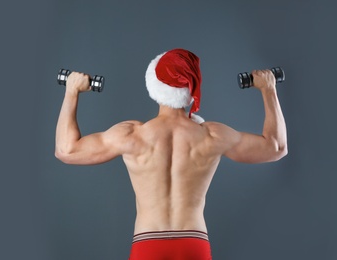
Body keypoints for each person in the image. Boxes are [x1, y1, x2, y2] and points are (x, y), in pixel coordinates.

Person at [55, 48, 288, 260]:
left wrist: (72, 91)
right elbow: (276, 147)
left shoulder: (132, 135)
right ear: (192, 89)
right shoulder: (212, 136)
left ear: (154, 84)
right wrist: (269, 89)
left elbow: (66, 150)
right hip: (193, 245)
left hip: (147, 246)